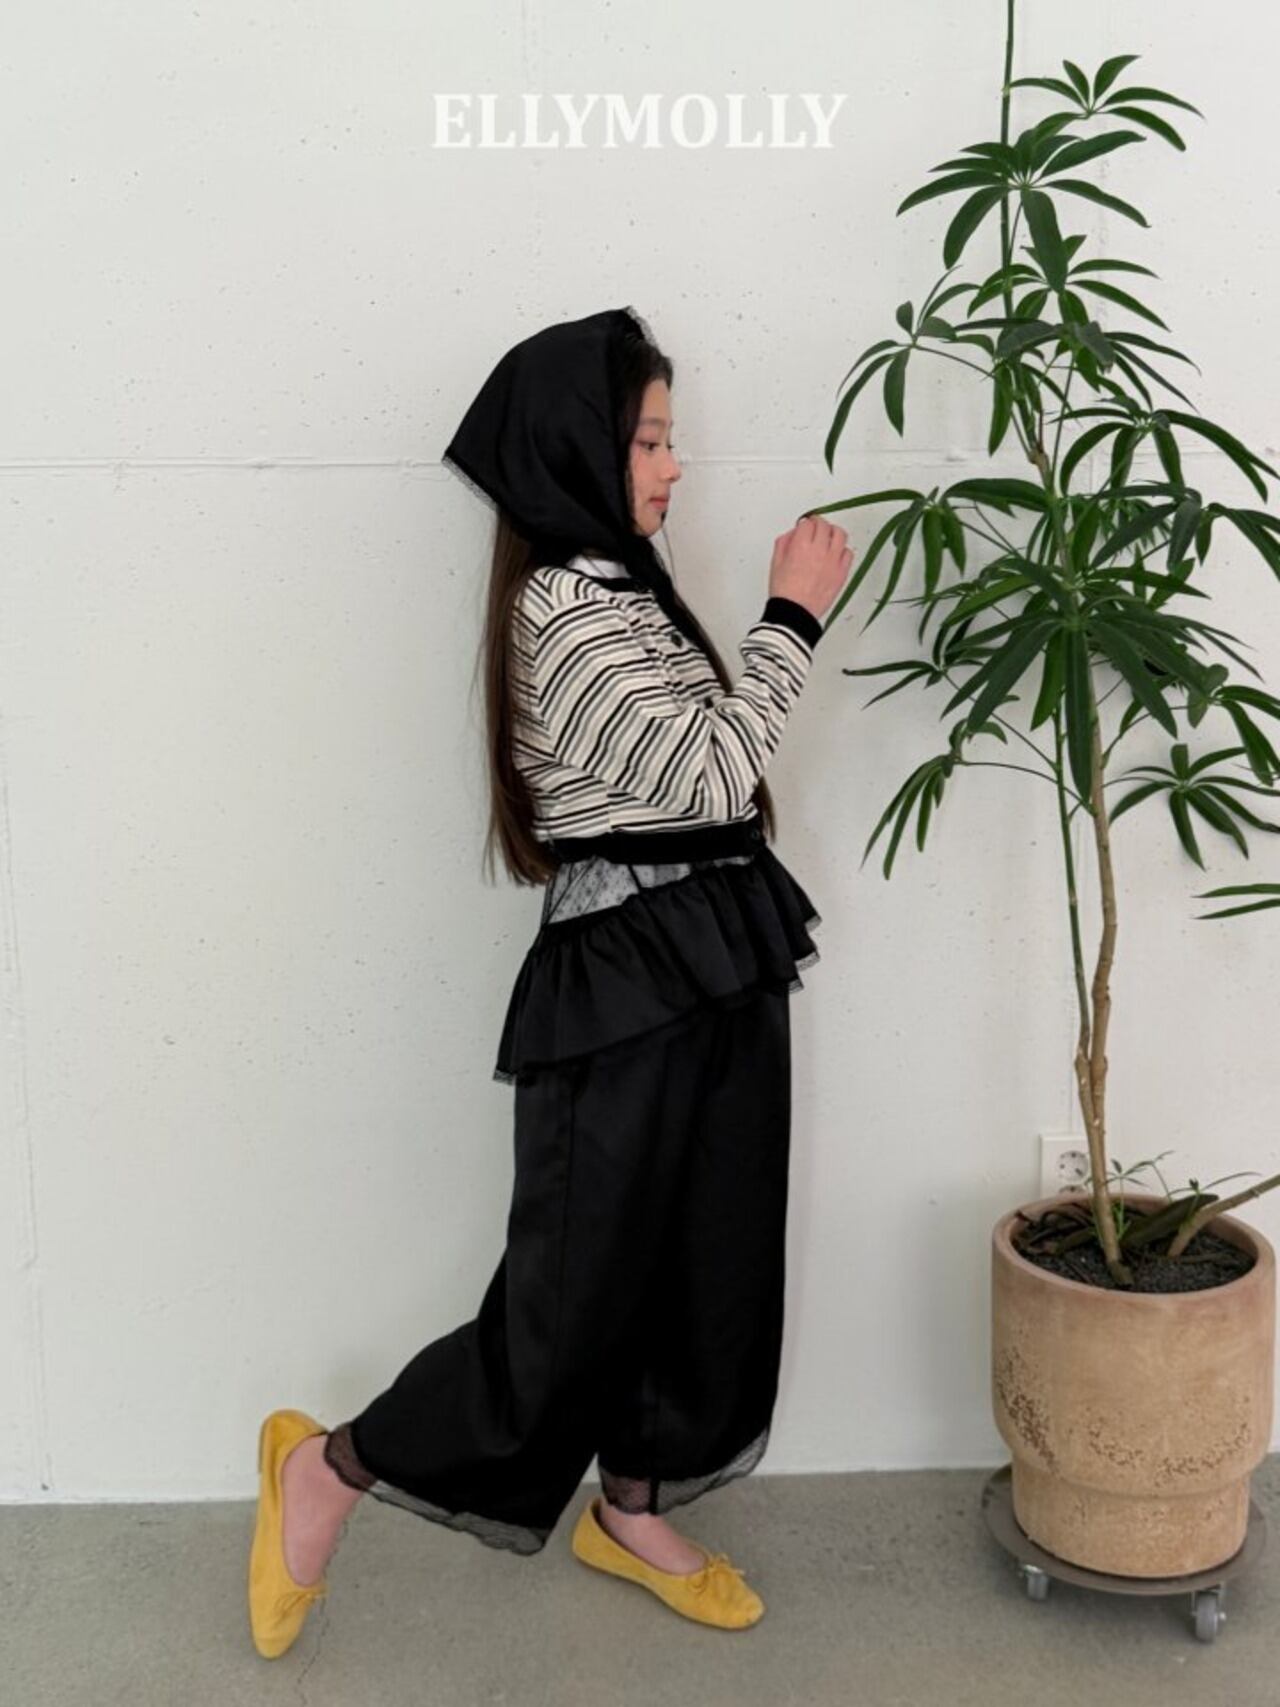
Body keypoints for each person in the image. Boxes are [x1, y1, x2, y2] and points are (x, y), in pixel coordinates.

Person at [248, 306, 853, 1656]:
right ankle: (327, 1468)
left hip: (718, 945)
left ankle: (630, 1509)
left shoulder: (629, 590)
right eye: (649, 440)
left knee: (708, 1261)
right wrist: (792, 618)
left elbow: (702, 783)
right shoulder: (564, 613)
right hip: (626, 976)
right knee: (566, 1307)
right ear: (578, 449)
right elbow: (711, 771)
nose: (674, 466)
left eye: (670, 439)